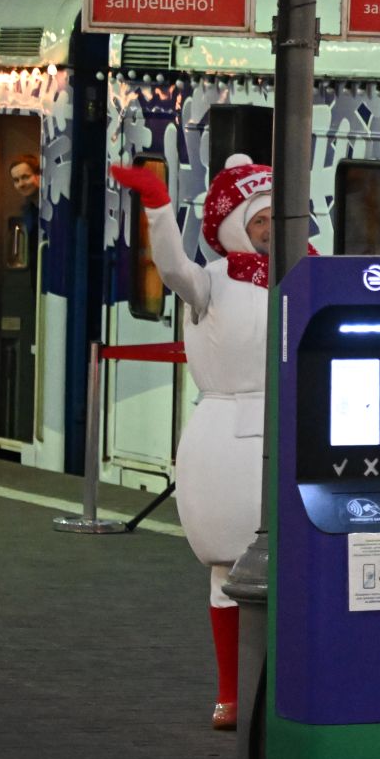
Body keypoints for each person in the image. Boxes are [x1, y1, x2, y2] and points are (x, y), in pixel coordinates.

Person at [108, 155, 309, 729]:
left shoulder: (311, 275)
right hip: (226, 437)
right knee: (228, 568)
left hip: (296, 431)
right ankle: (230, 692)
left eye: (278, 216)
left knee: (297, 570)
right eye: (259, 218)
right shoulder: (211, 284)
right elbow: (170, 266)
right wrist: (158, 205)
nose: (271, 227)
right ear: (234, 225)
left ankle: (286, 690)